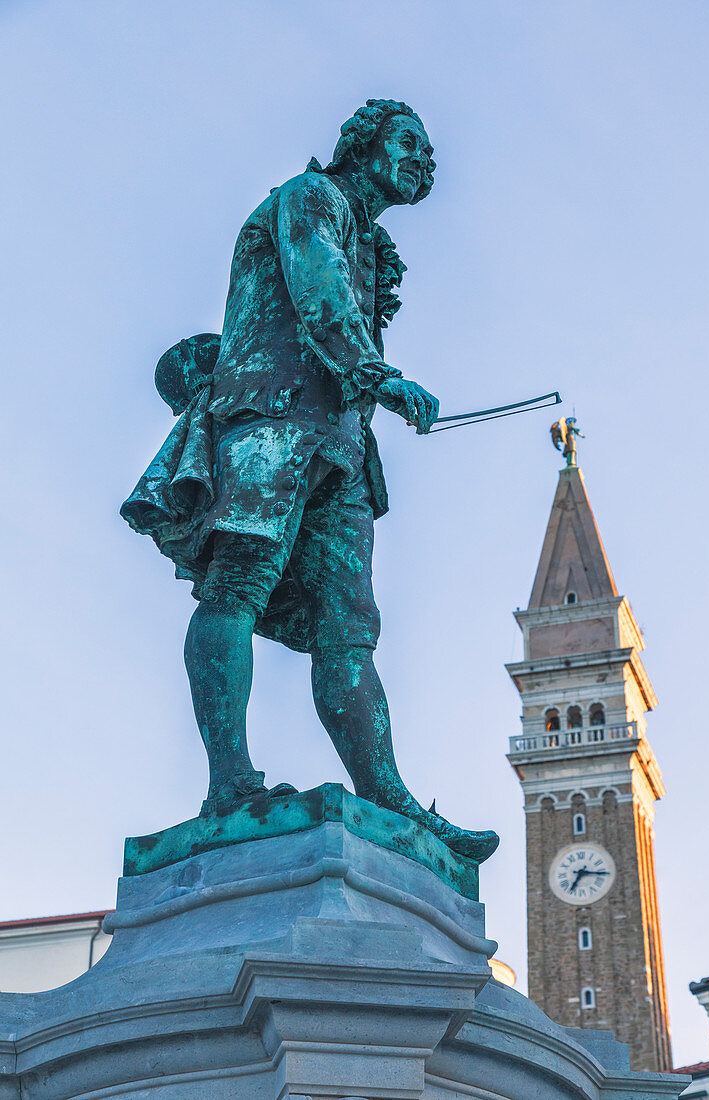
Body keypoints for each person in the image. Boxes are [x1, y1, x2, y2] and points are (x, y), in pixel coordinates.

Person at [122, 99, 498, 862]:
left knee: (350, 628)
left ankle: (387, 794)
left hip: (340, 445)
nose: (427, 160)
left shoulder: (372, 240)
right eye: (411, 144)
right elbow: (316, 287)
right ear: (364, 146)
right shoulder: (310, 198)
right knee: (236, 585)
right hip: (269, 419)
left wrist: (365, 393)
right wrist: (377, 374)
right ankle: (230, 781)